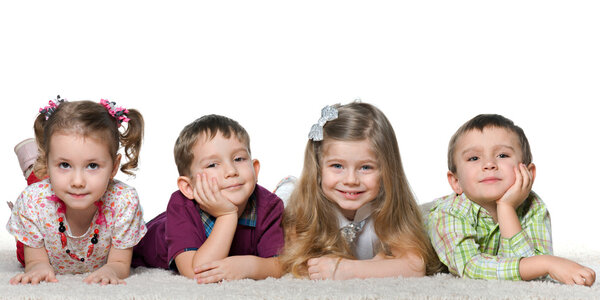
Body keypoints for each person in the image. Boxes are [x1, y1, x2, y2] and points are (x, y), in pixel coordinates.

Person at [426, 114, 596, 286]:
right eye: (474, 158)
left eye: (502, 155)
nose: (489, 164)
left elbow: (533, 274)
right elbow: (471, 267)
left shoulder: (533, 206)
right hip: (407, 224)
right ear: (456, 182)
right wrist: (546, 263)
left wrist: (506, 208)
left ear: (528, 172)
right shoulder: (448, 212)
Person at [280, 102, 442, 279]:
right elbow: (298, 264)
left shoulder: (388, 207)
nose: (351, 180)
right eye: (337, 166)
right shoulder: (302, 206)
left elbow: (415, 266)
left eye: (365, 167)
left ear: (386, 170)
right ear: (318, 168)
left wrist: (346, 270)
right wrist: (378, 264)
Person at [7, 96, 147, 285]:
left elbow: (120, 262)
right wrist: (38, 266)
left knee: (57, 183)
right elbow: (35, 261)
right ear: (48, 163)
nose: (78, 181)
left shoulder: (124, 201)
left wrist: (111, 270)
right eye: (65, 164)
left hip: (57, 188)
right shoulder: (33, 202)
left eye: (92, 166)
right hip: (44, 207)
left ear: (114, 167)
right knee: (37, 184)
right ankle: (33, 164)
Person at [132, 114, 284, 283]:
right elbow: (196, 272)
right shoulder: (181, 205)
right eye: (213, 164)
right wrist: (227, 215)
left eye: (239, 159)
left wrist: (250, 266)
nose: (231, 171)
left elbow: (281, 264)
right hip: (148, 239)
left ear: (255, 169)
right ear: (189, 187)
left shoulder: (269, 205)